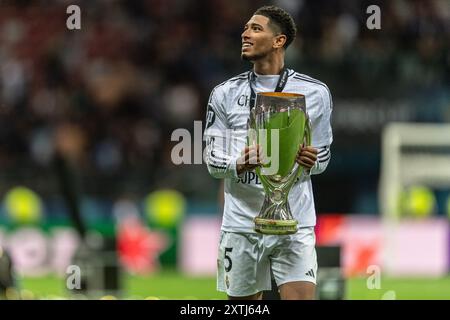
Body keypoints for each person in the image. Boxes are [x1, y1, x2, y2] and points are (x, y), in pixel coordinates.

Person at [203, 5, 333, 300]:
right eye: (246, 28)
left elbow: (324, 156)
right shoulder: (223, 93)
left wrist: (311, 161)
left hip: (295, 222)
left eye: (256, 28)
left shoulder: (315, 92)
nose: (245, 33)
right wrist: (238, 163)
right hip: (241, 224)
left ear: (279, 40)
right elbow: (212, 159)